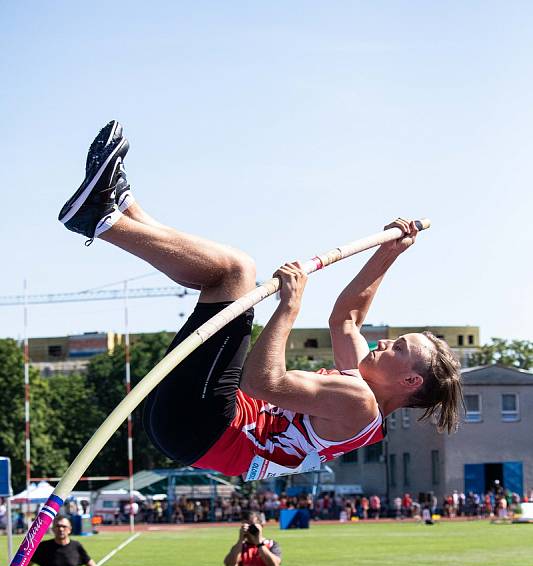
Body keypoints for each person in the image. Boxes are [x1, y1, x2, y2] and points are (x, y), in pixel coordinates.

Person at [58, 121, 464, 480]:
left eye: (399, 348)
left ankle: (100, 219)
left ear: (410, 381)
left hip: (205, 426)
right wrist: (389, 252)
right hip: (195, 425)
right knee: (221, 278)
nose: (384, 343)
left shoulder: (359, 404)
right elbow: (347, 319)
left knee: (236, 271)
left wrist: (288, 307)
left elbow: (263, 382)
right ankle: (120, 205)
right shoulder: (361, 383)